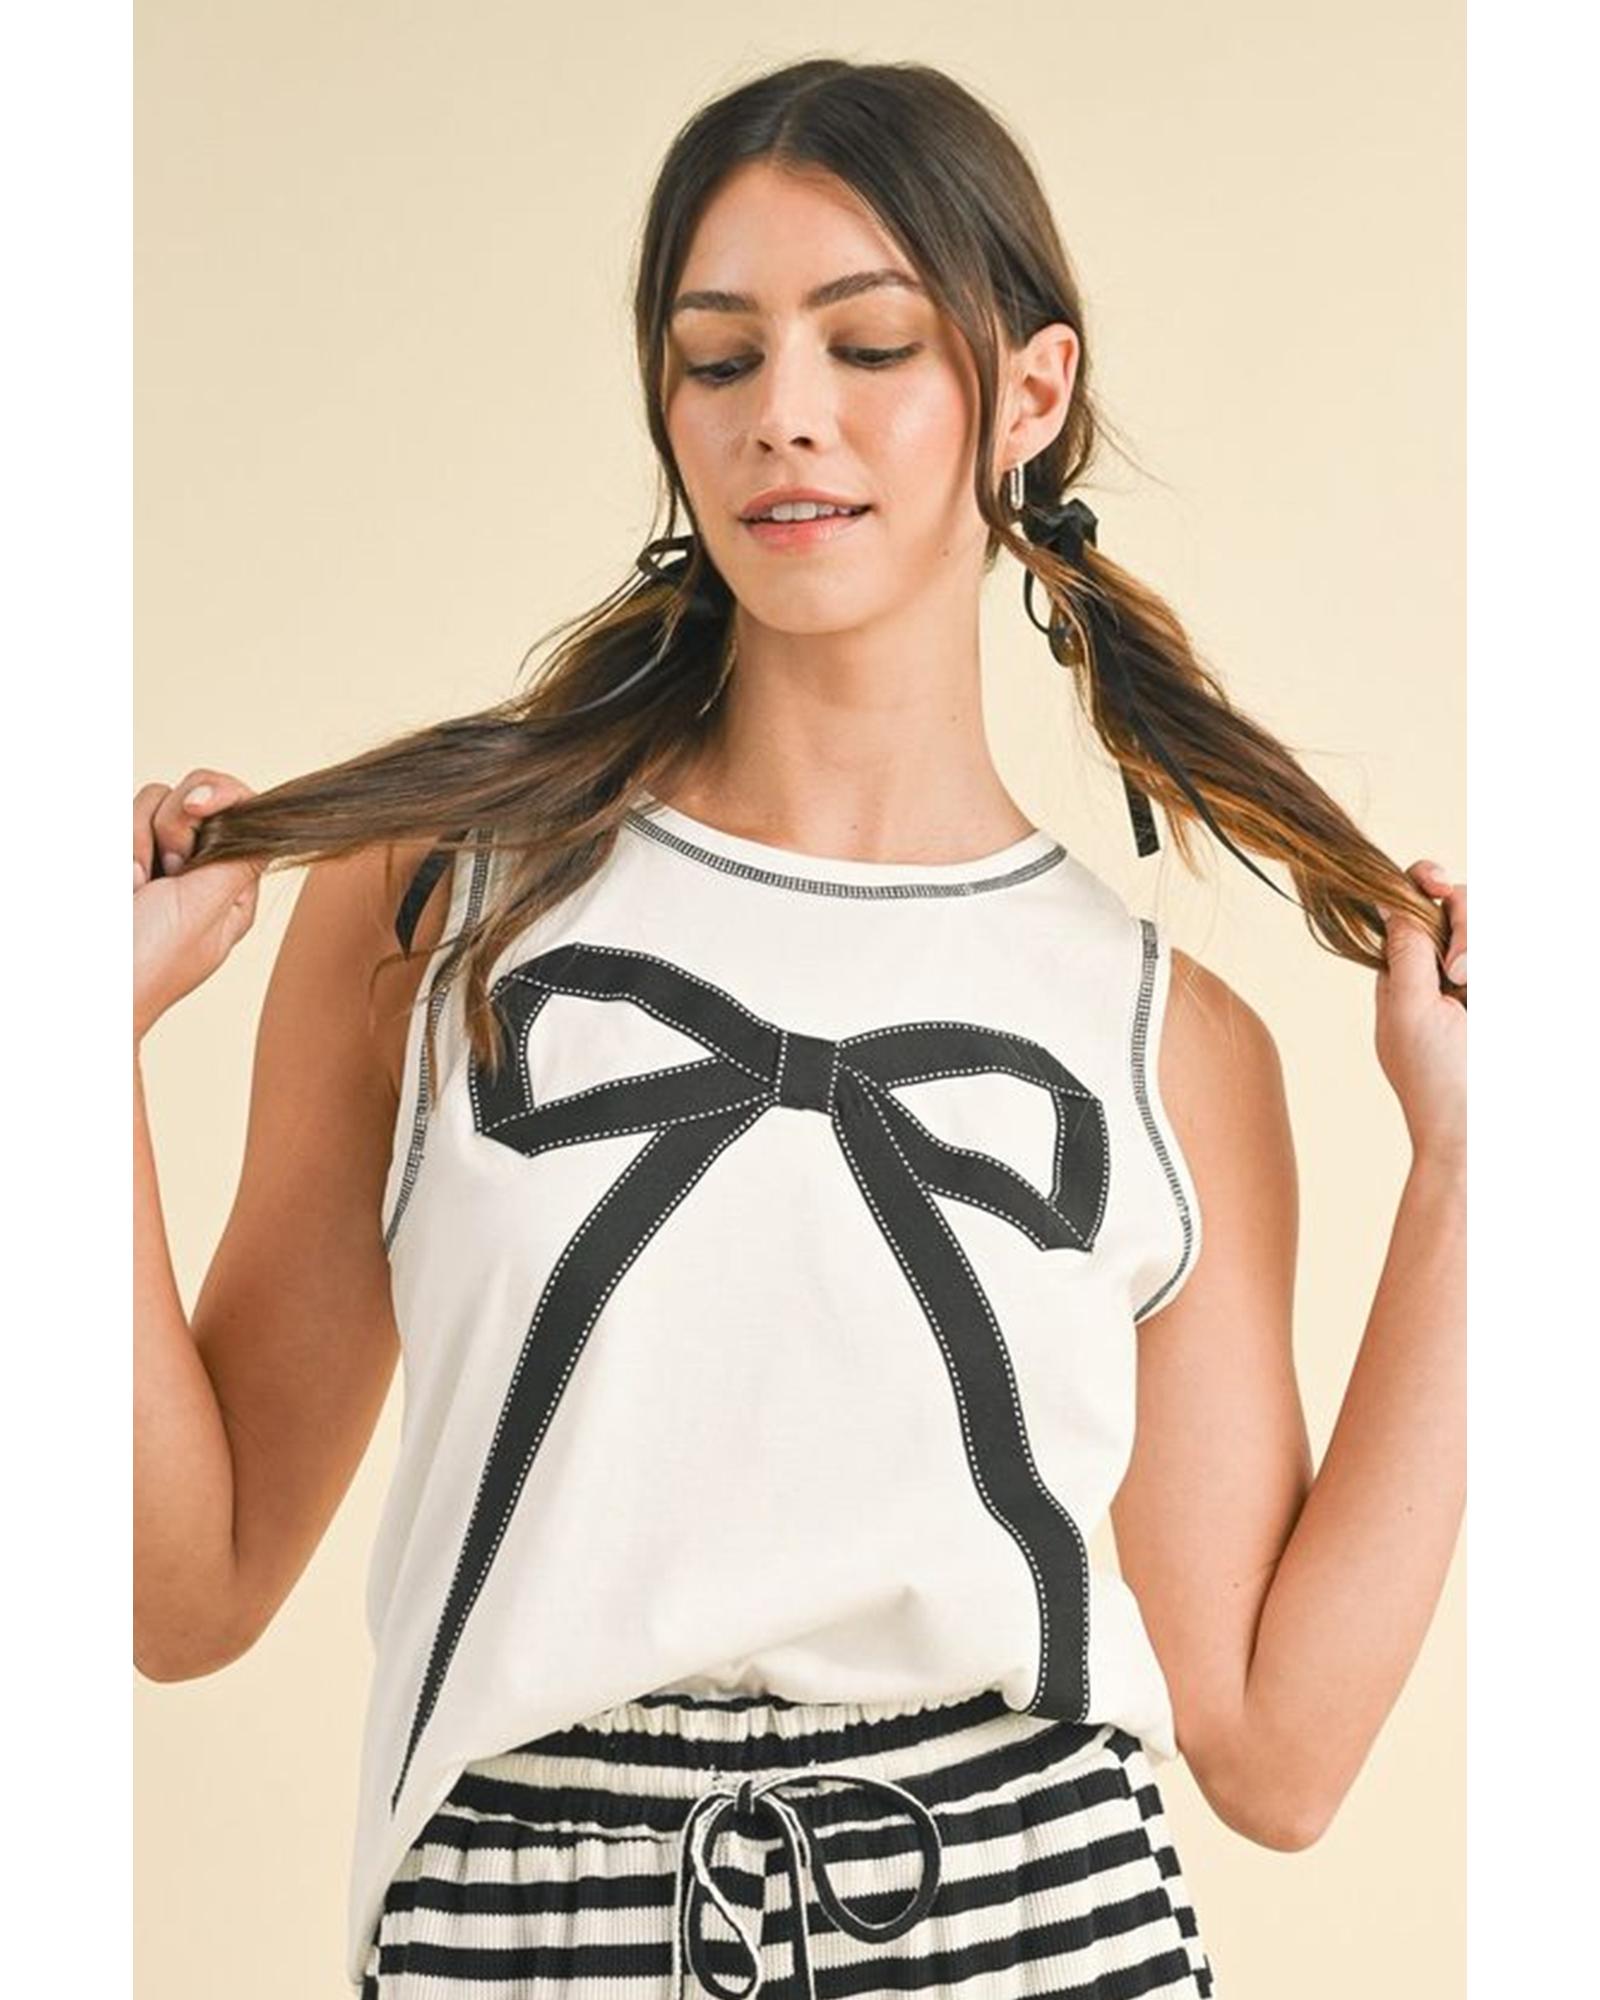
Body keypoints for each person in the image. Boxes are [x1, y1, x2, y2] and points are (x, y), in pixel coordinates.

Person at [133, 56, 1466, 2000]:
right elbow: (184, 1589)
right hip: (524, 1925)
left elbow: (1277, 1747)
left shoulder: (1164, 1041)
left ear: (1028, 393)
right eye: (718, 357)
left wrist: (1480, 1168)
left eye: (870, 344)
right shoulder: (437, 909)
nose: (784, 413)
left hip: (1036, 1918)